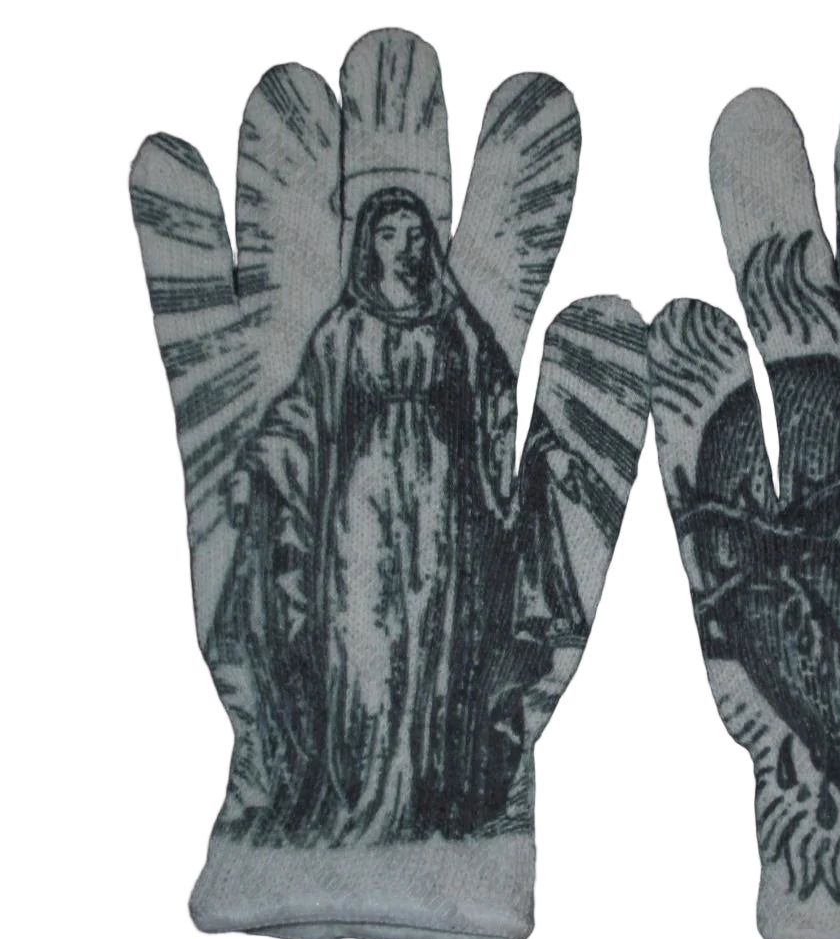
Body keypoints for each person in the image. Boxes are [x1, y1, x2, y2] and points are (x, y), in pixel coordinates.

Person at [209, 187, 584, 846]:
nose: (404, 248)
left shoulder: (456, 328)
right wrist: (254, 470)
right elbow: (302, 415)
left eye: (415, 234)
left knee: (431, 650)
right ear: (369, 246)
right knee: (363, 648)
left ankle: (421, 802)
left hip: (440, 516)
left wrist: (540, 457)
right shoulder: (343, 330)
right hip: (360, 515)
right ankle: (357, 796)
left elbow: (498, 407)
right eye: (389, 235)